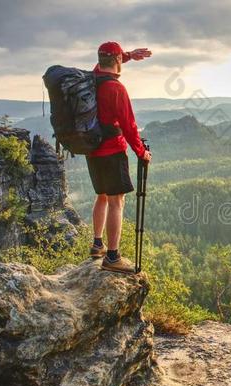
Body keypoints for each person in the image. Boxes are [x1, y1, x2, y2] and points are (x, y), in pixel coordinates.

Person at [87, 41, 152, 273]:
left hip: (92, 149)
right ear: (116, 61)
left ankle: (97, 245)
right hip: (112, 151)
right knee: (117, 201)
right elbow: (129, 126)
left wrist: (127, 56)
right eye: (120, 59)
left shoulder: (92, 80)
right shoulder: (116, 89)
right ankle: (112, 257)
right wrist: (141, 153)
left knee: (102, 196)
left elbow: (103, 64)